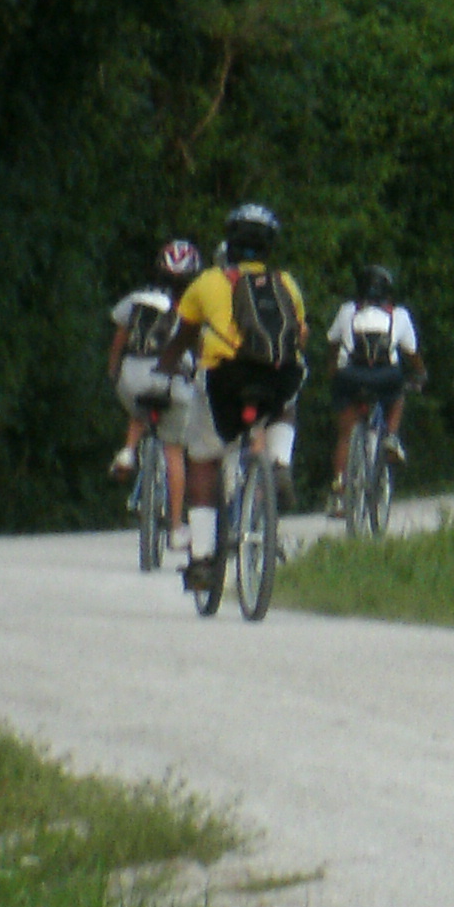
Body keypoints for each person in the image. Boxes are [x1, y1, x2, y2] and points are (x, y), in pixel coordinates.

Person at [171, 202, 307, 605]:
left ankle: (202, 557)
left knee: (202, 459)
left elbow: (183, 335)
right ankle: (279, 461)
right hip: (276, 376)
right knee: (287, 397)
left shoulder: (208, 282)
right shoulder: (287, 283)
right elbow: (299, 336)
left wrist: (167, 363)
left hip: (223, 380)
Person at [325, 263, 426, 495]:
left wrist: (333, 369)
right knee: (397, 395)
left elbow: (332, 343)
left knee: (345, 435)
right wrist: (421, 375)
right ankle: (390, 436)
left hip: (349, 376)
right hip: (384, 377)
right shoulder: (399, 315)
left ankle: (340, 489)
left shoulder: (347, 311)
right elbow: (411, 354)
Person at [108, 237, 196, 485]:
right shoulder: (193, 305)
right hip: (173, 376)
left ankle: (128, 450)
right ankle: (177, 522)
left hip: (133, 372)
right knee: (174, 449)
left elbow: (119, 339)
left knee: (141, 407)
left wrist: (113, 371)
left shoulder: (137, 299)